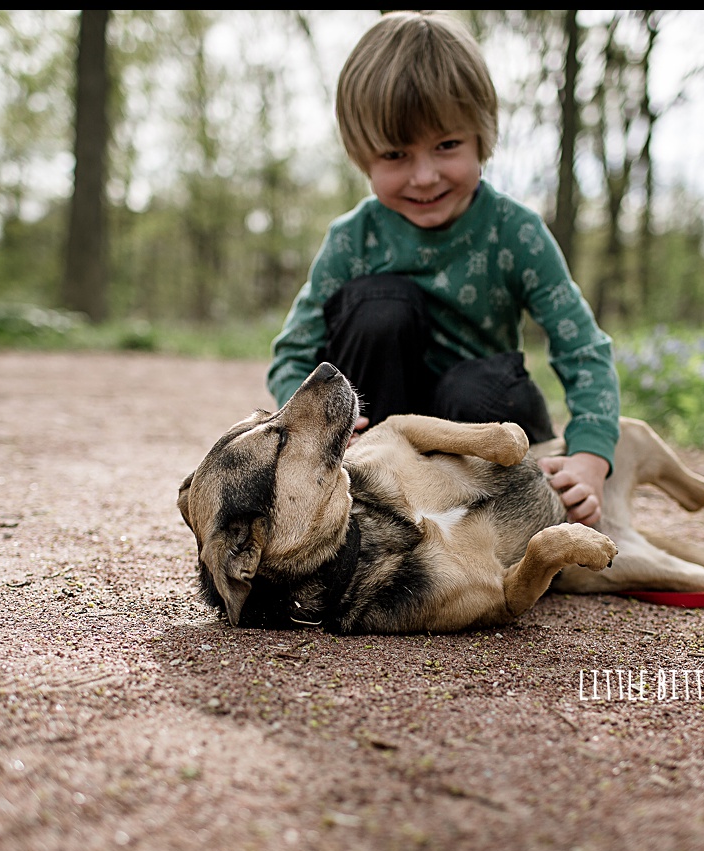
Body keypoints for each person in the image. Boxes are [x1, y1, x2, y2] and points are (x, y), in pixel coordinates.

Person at [265, 10, 621, 527]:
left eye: (447, 146)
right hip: (383, 439)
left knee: (472, 388)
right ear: (362, 157)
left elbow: (583, 348)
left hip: (482, 429)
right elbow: (292, 356)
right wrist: (320, 428)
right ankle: (368, 506)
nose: (425, 176)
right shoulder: (354, 238)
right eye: (395, 154)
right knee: (378, 307)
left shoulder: (513, 231)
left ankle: (500, 523)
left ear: (482, 135)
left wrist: (590, 456)